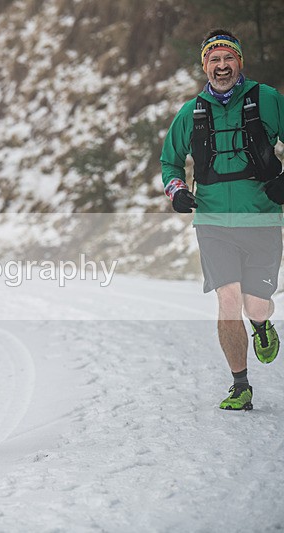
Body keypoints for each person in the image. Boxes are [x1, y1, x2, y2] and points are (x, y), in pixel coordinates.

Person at [161, 29, 284, 411]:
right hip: (213, 222)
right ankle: (240, 385)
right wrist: (178, 191)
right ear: (205, 66)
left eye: (228, 58)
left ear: (239, 62)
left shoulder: (268, 100)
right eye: (214, 60)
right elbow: (170, 163)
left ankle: (262, 324)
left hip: (262, 218)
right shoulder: (191, 112)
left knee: (255, 305)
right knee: (227, 300)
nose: (221, 66)